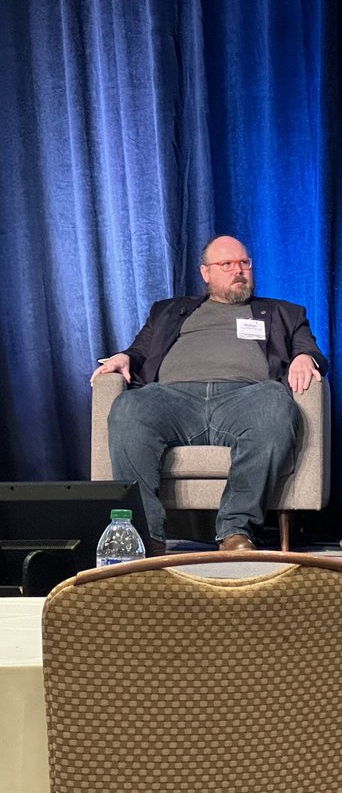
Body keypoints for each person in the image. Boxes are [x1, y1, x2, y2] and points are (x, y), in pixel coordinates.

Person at [90, 235, 328, 554]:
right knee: (128, 407)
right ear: (206, 273)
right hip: (172, 401)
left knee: (276, 404)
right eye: (227, 264)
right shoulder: (168, 311)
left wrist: (304, 357)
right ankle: (146, 536)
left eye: (244, 263)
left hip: (245, 400)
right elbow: (140, 350)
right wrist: (124, 357)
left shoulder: (284, 312)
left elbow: (310, 350)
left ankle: (235, 531)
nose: (238, 271)